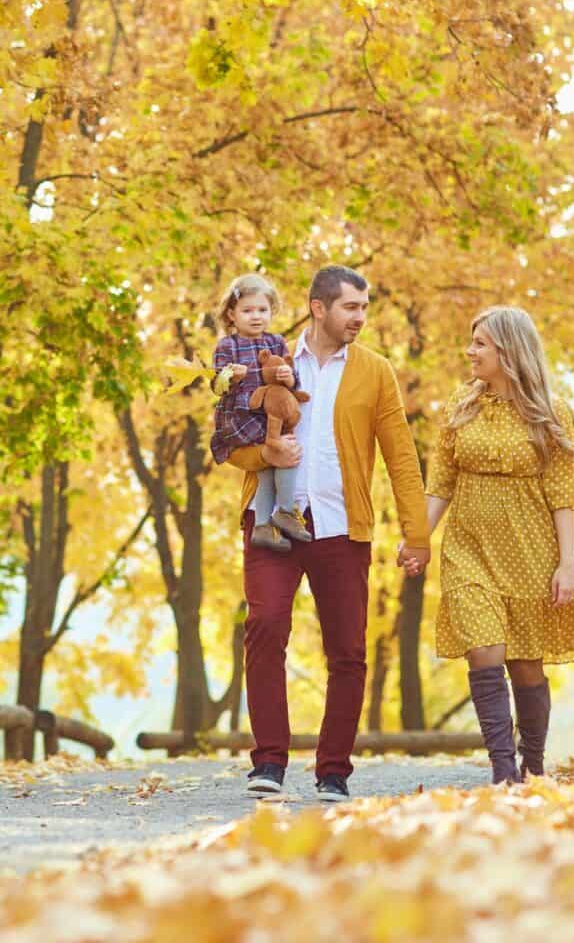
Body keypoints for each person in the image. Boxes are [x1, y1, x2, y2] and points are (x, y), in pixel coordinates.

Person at [227, 265, 430, 801]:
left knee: (347, 651)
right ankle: (268, 762)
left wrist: (417, 534)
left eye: (364, 307)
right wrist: (264, 453)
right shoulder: (267, 360)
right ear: (319, 308)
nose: (360, 317)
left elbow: (401, 455)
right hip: (273, 522)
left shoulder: (375, 371)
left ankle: (333, 770)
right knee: (266, 626)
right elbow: (225, 443)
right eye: (351, 307)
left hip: (342, 526)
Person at [411, 306, 574, 784]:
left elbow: (563, 493)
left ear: (509, 350)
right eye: (471, 341)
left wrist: (566, 563)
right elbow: (440, 481)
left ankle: (532, 764)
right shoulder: (462, 404)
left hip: (530, 552)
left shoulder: (550, 410)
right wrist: (419, 540)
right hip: (468, 548)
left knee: (526, 667)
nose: (470, 351)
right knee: (484, 648)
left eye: (480, 343)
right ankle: (503, 771)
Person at [210, 274, 312, 552]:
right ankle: (286, 512)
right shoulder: (226, 346)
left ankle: (264, 526)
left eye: (262, 310)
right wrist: (231, 376)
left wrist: (287, 377)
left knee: (269, 469)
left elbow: (295, 383)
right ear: (232, 314)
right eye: (247, 310)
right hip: (242, 418)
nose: (256, 316)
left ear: (272, 311)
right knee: (280, 456)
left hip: (271, 417)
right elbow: (216, 386)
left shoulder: (277, 342)